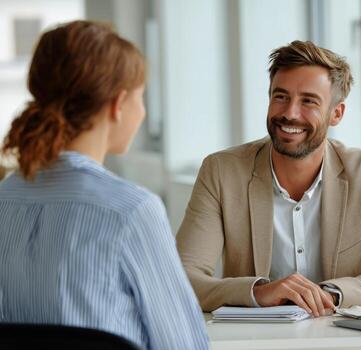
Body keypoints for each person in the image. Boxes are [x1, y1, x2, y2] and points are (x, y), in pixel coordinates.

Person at [0, 21, 208, 349]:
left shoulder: (4, 199)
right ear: (118, 104)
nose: (141, 111)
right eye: (141, 97)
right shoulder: (131, 210)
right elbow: (183, 344)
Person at [177, 40, 361, 315]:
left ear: (336, 113)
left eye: (308, 101)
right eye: (280, 96)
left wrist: (329, 294)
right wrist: (259, 292)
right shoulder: (221, 171)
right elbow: (182, 278)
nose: (290, 113)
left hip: (342, 339)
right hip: (254, 341)